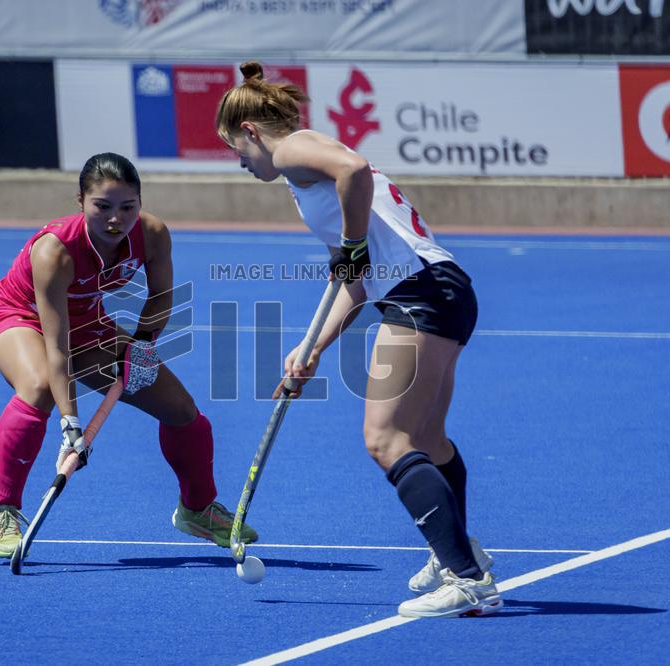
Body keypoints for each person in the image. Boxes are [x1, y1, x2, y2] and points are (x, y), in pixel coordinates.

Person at [215, 62, 500, 618]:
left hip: (421, 292)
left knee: (384, 437)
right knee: (429, 440)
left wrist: (349, 244)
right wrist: (312, 347)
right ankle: (460, 558)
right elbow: (355, 280)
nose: (242, 164)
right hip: (438, 289)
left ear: (251, 131)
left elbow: (355, 169)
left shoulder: (294, 149)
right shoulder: (303, 180)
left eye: (236, 151)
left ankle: (467, 579)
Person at [0, 152, 257, 558]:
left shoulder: (153, 234)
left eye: (127, 207)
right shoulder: (54, 252)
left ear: (140, 203)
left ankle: (197, 510)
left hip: (91, 324)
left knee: (182, 411)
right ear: (80, 202)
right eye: (102, 207)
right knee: (39, 386)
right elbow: (58, 348)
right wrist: (71, 425)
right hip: (24, 318)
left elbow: (161, 298)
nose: (115, 219)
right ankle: (0, 508)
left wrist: (142, 346)